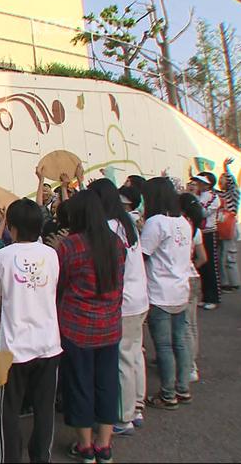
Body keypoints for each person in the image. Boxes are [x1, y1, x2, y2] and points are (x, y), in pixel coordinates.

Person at [53, 191, 125, 464]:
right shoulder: (116, 243)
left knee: (79, 384)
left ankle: (85, 447)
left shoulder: (70, 246)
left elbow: (59, 284)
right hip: (109, 327)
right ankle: (104, 445)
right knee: (107, 384)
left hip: (76, 328)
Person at [0, 198, 62, 463]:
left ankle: (10, 458)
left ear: (12, 227)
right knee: (44, 409)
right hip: (48, 344)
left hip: (14, 348)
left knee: (10, 408)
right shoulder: (51, 255)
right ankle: (41, 457)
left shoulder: (4, 256)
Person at [88, 179, 149, 436]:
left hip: (123, 303)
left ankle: (122, 418)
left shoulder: (109, 227)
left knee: (122, 359)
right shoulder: (126, 222)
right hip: (139, 300)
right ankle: (136, 407)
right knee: (135, 354)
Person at [140, 178, 193, 411]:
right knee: (179, 342)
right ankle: (182, 388)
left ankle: (168, 394)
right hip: (181, 290)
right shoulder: (183, 222)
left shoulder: (156, 222)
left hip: (159, 292)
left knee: (163, 346)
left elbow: (142, 254)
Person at [179, 194, 208, 383]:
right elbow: (203, 258)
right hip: (194, 277)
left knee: (185, 327)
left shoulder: (180, 226)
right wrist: (191, 266)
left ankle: (189, 367)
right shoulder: (195, 229)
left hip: (182, 279)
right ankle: (192, 362)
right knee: (192, 325)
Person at [191, 172, 222, 310]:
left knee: (211, 266)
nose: (198, 184)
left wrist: (193, 202)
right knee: (202, 267)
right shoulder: (198, 196)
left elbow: (201, 213)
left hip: (209, 233)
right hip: (199, 233)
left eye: (201, 182)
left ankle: (214, 297)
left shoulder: (213, 197)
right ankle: (205, 296)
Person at [217, 158, 241, 292]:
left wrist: (226, 168)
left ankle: (234, 282)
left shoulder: (233, 193)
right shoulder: (219, 194)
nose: (221, 180)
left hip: (230, 227)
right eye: (220, 178)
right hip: (222, 227)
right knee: (221, 256)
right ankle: (225, 282)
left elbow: (233, 185)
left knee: (229, 256)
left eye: (224, 178)